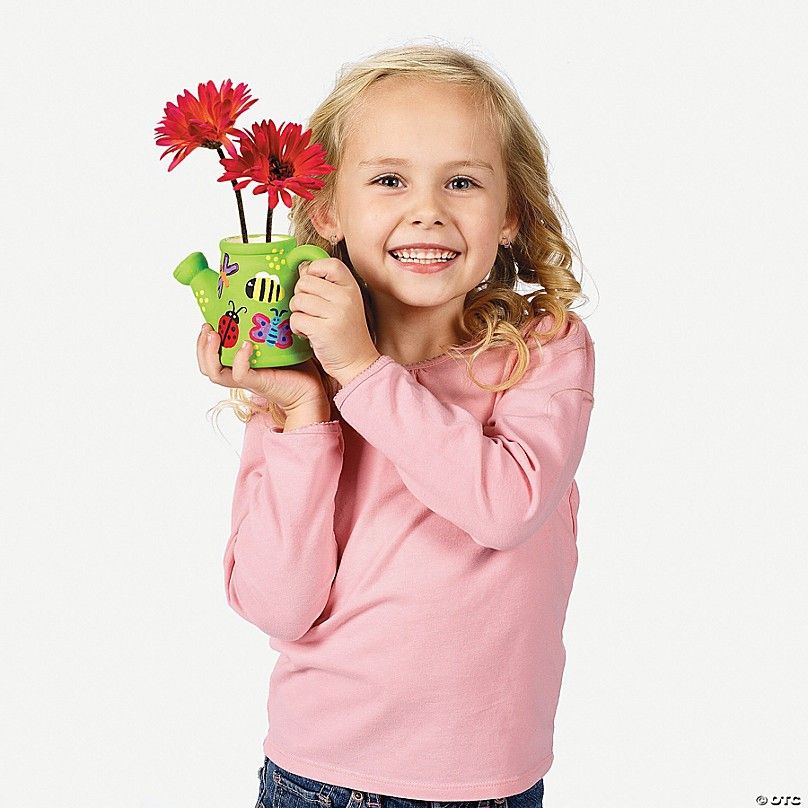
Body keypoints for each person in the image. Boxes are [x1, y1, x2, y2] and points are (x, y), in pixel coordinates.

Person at [198, 43, 595, 808]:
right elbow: (279, 606)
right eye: (388, 179)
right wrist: (309, 412)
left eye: (462, 181)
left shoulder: (542, 349)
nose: (428, 208)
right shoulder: (302, 380)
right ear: (327, 212)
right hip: (322, 782)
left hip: (500, 783)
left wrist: (363, 374)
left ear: (510, 215)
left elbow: (504, 507)